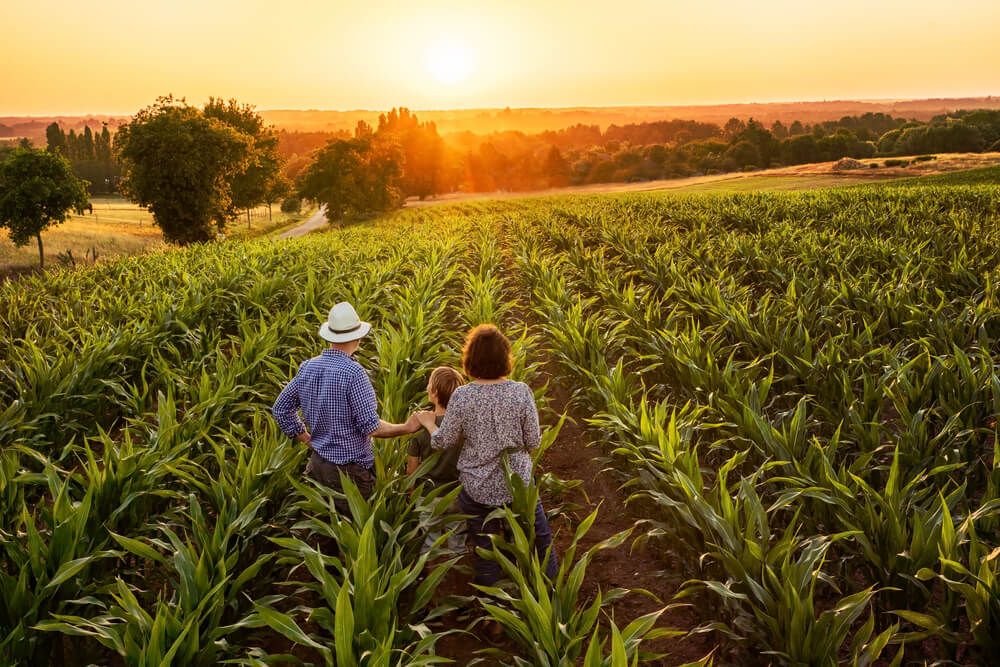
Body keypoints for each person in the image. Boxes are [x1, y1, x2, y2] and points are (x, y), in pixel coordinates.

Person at [415, 324, 558, 587]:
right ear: (505, 358)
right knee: (540, 538)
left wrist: (429, 424)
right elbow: (533, 441)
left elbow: (443, 441)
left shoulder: (462, 396)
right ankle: (548, 595)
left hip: (477, 489)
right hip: (518, 486)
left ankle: (492, 604)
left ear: (470, 360)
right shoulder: (521, 391)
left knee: (484, 547)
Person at [272, 301, 420, 513]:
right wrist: (407, 427)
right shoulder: (354, 374)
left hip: (317, 466)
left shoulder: (308, 367)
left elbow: (280, 409)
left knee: (321, 535)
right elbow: (372, 428)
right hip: (349, 474)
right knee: (354, 536)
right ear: (357, 338)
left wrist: (305, 438)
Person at [407, 366, 467, 553]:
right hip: (458, 493)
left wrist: (411, 493)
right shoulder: (464, 425)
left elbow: (412, 469)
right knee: (458, 539)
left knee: (429, 542)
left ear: (433, 392)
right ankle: (458, 575)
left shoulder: (420, 427)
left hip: (428, 495)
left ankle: (434, 578)